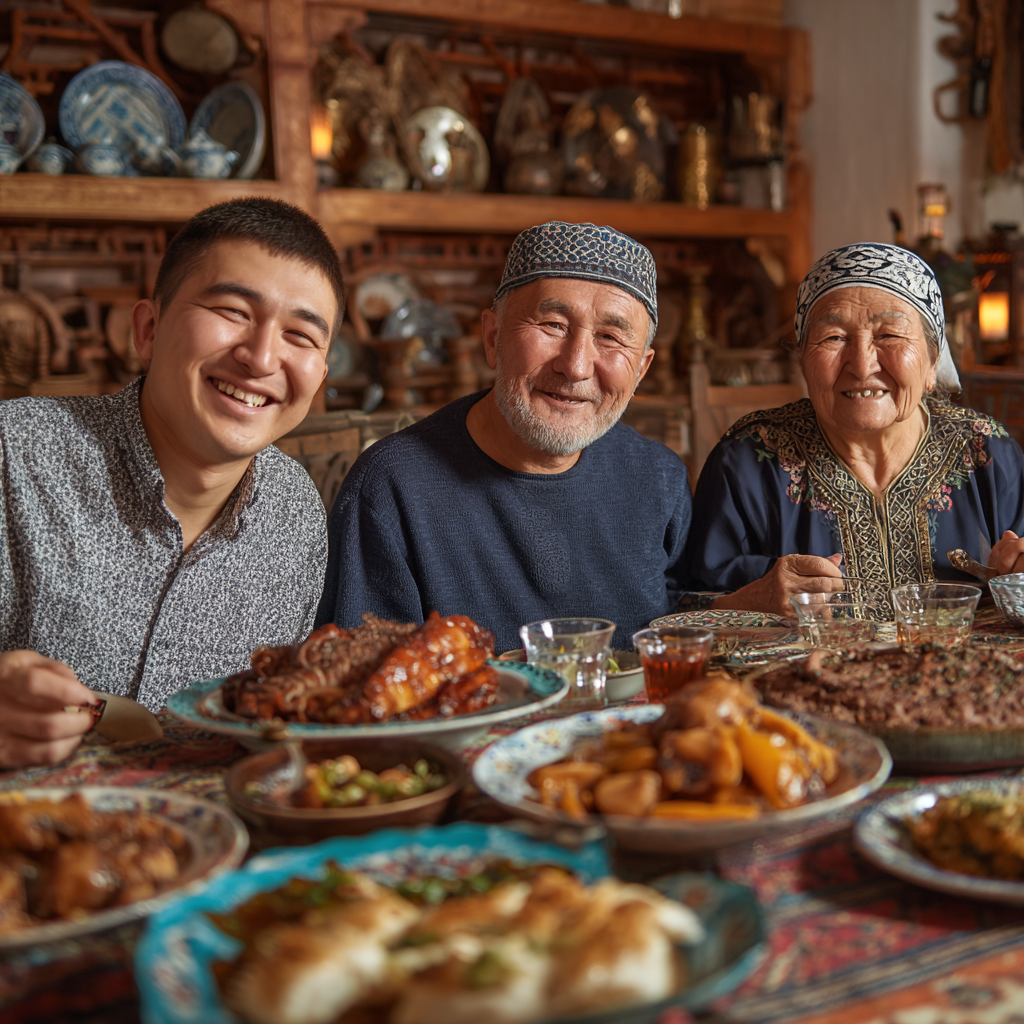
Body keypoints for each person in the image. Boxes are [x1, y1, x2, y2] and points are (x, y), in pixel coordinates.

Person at [0, 197, 343, 766]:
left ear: (320, 376)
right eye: (233, 310)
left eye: (301, 337)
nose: (260, 357)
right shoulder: (16, 454)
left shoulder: (295, 511)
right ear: (148, 329)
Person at [318, 221, 692, 653]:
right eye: (552, 324)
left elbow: (688, 632)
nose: (576, 366)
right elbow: (365, 687)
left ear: (641, 369)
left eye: (610, 338)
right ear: (493, 338)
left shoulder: (659, 479)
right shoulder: (391, 485)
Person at [684, 242, 1024, 618]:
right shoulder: (746, 461)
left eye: (890, 335)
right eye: (834, 338)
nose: (862, 366)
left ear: (932, 363)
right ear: (802, 361)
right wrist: (748, 600)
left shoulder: (987, 452)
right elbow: (682, 608)